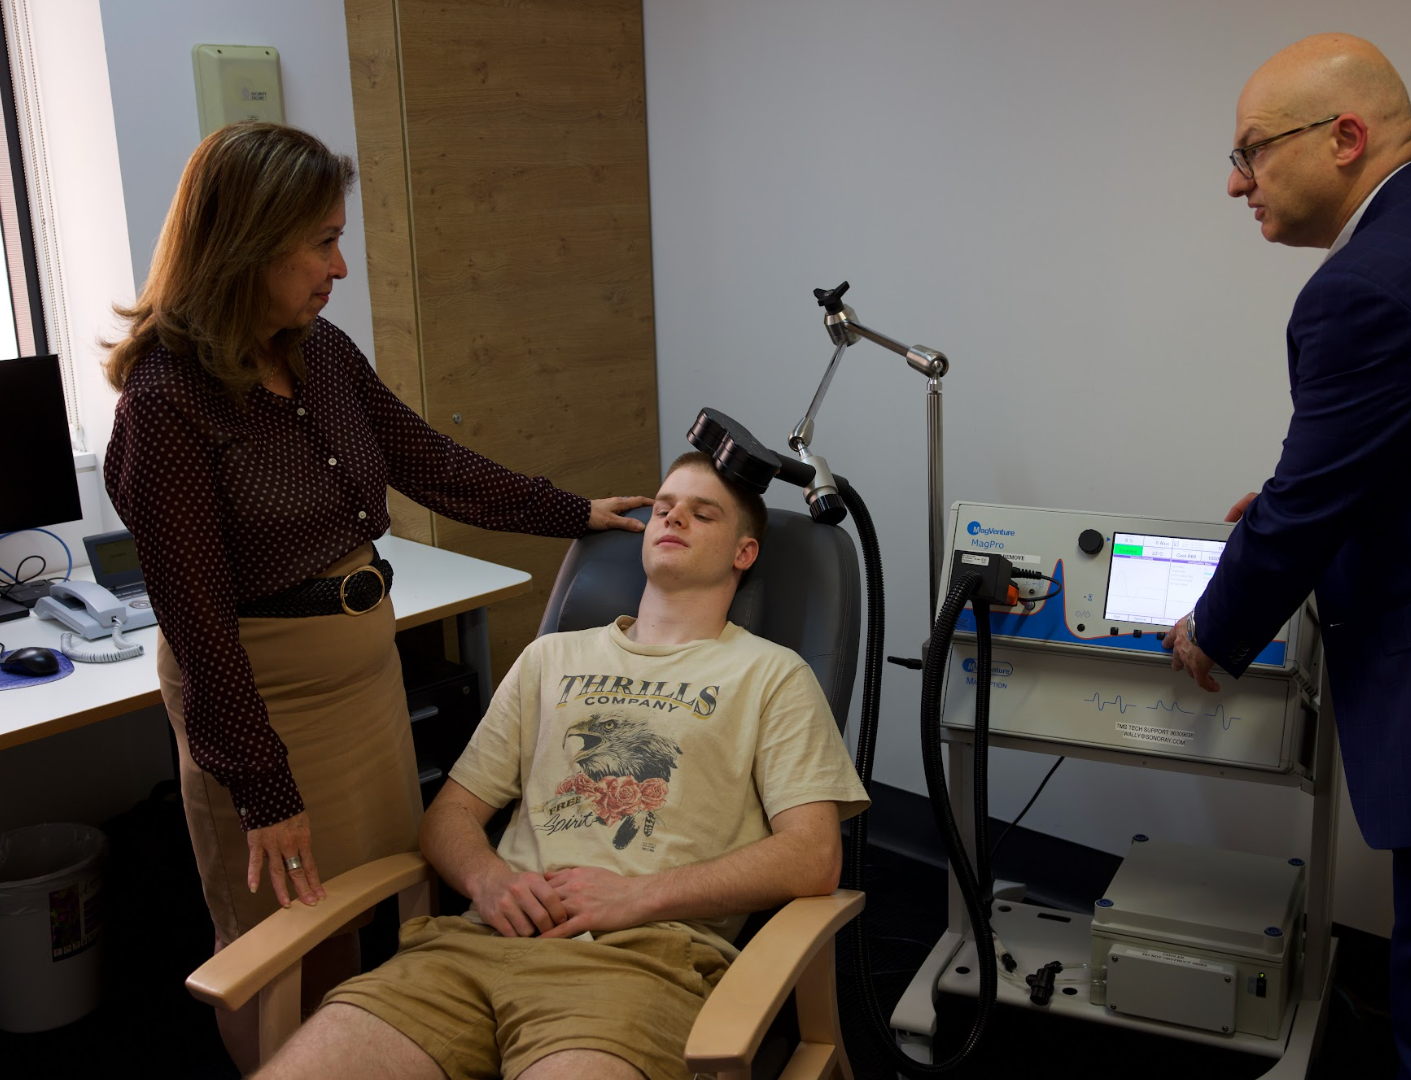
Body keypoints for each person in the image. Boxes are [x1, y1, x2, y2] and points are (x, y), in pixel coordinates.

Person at [102, 121, 649, 1070]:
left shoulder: (318, 350)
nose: (340, 267)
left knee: (365, 913)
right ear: (246, 246)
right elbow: (197, 629)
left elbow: (426, 460)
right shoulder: (167, 403)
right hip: (261, 704)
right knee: (276, 943)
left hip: (362, 689)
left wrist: (569, 510)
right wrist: (264, 789)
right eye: (320, 242)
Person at [253, 451, 870, 1080]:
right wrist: (490, 881)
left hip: (638, 964)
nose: (673, 517)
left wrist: (640, 895)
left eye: (701, 514)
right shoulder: (550, 658)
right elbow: (451, 816)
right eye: (663, 507)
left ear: (743, 553)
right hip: (473, 946)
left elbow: (813, 856)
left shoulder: (772, 676)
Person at [1163, 34, 1411, 1079]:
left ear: (1345, 138)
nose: (1234, 181)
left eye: (1251, 151)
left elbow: (1303, 508)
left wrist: (1214, 628)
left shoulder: (1365, 291)